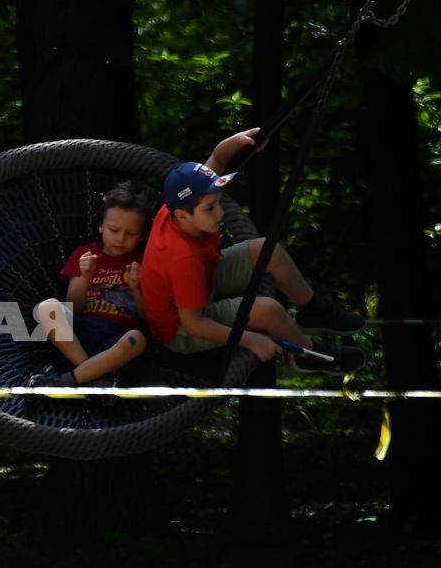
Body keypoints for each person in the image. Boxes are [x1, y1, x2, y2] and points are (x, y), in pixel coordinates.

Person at [139, 129, 366, 371]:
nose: (221, 212)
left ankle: (312, 309)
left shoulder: (175, 207)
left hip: (203, 280)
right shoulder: (182, 257)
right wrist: (251, 340)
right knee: (268, 310)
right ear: (183, 216)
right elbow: (194, 324)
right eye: (210, 208)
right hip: (182, 329)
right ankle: (307, 353)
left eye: (219, 201)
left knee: (268, 250)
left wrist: (235, 143)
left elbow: (216, 160)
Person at [29, 181, 154, 389]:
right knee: (47, 308)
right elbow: (73, 306)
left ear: (141, 235)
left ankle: (70, 380)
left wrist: (135, 288)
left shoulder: (143, 262)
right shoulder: (85, 255)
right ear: (100, 226)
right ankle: (93, 376)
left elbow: (147, 317)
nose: (121, 239)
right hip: (79, 337)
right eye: (114, 230)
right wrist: (85, 277)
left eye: (130, 234)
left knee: (137, 340)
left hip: (117, 341)